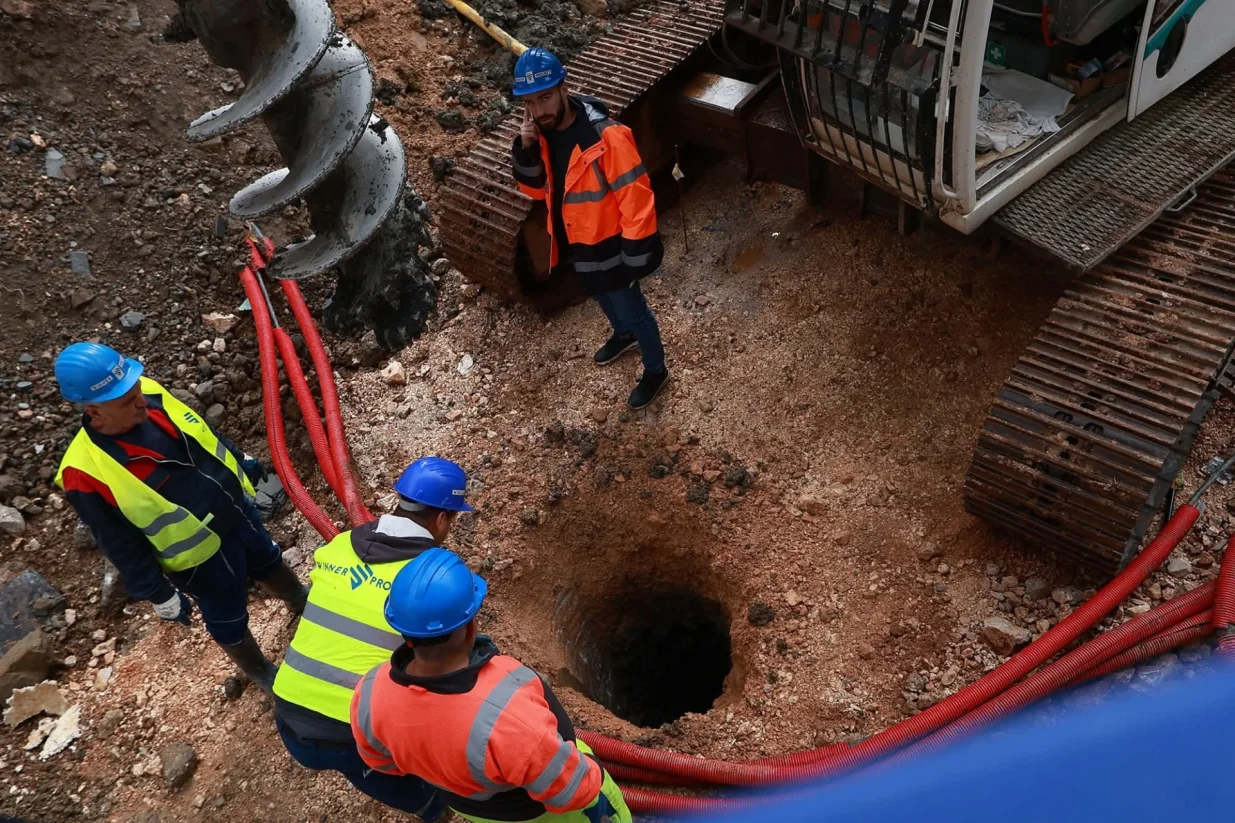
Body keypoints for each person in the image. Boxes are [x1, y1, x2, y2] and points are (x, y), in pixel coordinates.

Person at [53, 342, 306, 692]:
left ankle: (298, 600)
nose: (140, 400)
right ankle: (259, 669)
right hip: (200, 559)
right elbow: (118, 542)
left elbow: (200, 431)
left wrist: (239, 455)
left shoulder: (150, 394)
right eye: (127, 401)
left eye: (136, 390)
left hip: (235, 510)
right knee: (227, 616)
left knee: (267, 559)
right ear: (94, 412)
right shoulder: (85, 471)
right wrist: (158, 593)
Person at [350, 547, 632, 823]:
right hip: (541, 814)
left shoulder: (369, 692)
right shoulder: (506, 709)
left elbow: (381, 761)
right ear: (471, 627)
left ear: (406, 634)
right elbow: (572, 792)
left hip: (473, 808)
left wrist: (438, 763)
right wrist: (592, 770)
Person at [271, 458, 474, 821]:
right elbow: (447, 656)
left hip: (286, 711)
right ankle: (435, 809)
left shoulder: (338, 546)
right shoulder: (426, 582)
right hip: (351, 732)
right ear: (443, 518)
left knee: (359, 764)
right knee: (417, 777)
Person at [510, 46, 670, 411]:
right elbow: (536, 189)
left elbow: (636, 195)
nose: (539, 110)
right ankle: (623, 335)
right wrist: (526, 147)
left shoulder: (606, 137)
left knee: (633, 307)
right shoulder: (543, 136)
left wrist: (636, 253)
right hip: (580, 245)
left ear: (565, 89)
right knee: (601, 296)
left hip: (615, 246)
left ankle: (656, 370)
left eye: (546, 97)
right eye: (531, 103)